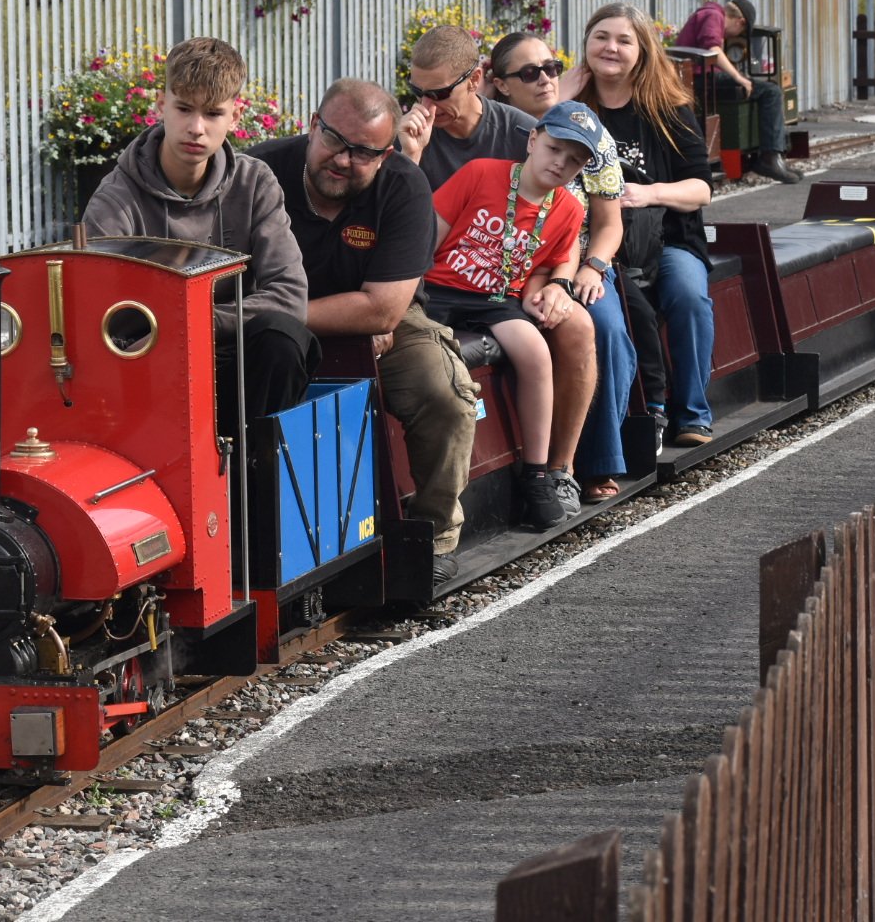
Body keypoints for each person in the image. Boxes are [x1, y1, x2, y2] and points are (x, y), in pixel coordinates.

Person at [247, 79, 477, 582]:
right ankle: (252, 534)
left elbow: (383, 311)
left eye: (364, 153)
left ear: (387, 153)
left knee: (445, 396)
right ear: (312, 126)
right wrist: (283, 314)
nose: (343, 160)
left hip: (385, 326)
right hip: (271, 327)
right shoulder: (258, 172)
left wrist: (360, 314)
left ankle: (432, 538)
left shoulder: (404, 187)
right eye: (334, 141)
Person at [83, 36, 318, 428]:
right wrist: (169, 340)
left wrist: (191, 326)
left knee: (284, 338)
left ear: (235, 117)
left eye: (212, 113)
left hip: (234, 363)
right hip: (148, 367)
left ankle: (255, 479)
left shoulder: (255, 183)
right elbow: (98, 312)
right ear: (161, 104)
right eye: (184, 108)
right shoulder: (116, 197)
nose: (196, 128)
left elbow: (291, 297)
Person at [423, 103, 603, 530]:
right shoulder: (481, 172)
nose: (561, 163)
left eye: (575, 160)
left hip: (496, 297)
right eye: (555, 149)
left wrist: (545, 294)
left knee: (536, 354)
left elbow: (548, 266)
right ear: (532, 140)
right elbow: (428, 236)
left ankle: (537, 474)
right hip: (438, 286)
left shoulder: (570, 209)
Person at [490, 32, 636, 503]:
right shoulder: (496, 135)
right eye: (529, 73)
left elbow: (609, 222)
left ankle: (593, 462)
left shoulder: (588, 129)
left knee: (605, 325)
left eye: (552, 67)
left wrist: (592, 268)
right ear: (501, 85)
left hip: (579, 262)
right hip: (507, 268)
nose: (547, 79)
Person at [568, 3, 715, 448]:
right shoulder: (572, 107)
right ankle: (630, 419)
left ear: (642, 50)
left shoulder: (667, 109)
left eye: (623, 40)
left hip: (669, 239)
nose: (610, 47)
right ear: (587, 43)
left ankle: (692, 414)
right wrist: (557, 98)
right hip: (593, 245)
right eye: (601, 37)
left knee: (688, 295)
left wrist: (650, 193)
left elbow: (702, 188)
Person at [675, 0, 801, 184]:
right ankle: (770, 157)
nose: (734, 36)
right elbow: (713, 48)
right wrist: (738, 77)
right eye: (741, 31)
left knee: (762, 88)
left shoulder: (709, 13)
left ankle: (771, 156)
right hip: (699, 76)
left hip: (699, 76)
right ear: (740, 22)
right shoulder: (713, 14)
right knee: (771, 91)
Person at [398, 23, 537, 191]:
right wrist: (410, 157)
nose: (426, 105)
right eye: (417, 92)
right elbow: (390, 214)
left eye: (440, 94)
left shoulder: (522, 135)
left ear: (474, 80)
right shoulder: (408, 137)